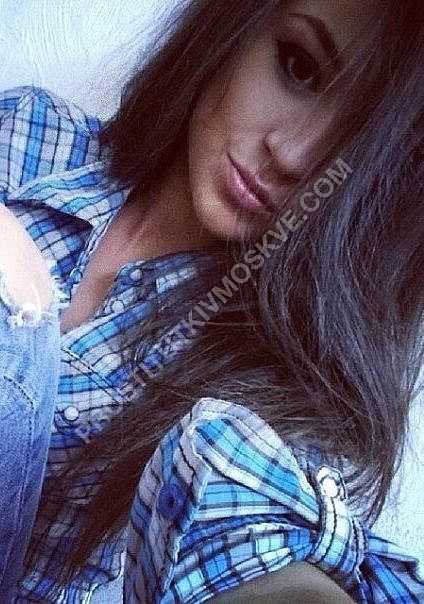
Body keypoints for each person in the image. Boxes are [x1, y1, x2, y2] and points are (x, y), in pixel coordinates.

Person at [0, 0, 423, 601]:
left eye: (358, 143)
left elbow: (251, 534)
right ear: (233, 28)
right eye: (300, 68)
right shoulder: (31, 134)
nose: (292, 154)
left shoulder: (279, 402)